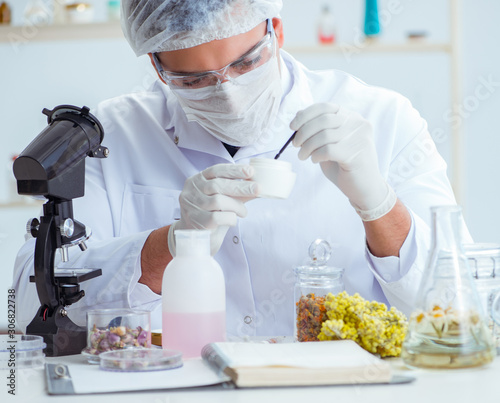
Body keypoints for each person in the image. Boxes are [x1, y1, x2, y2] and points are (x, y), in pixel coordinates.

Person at [13, 0, 469, 339]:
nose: (227, 93)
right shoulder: (110, 136)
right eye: (194, 80)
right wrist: (167, 245)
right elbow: (30, 299)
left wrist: (379, 204)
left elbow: (458, 308)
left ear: (277, 31)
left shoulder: (382, 118)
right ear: (157, 67)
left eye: (247, 62)